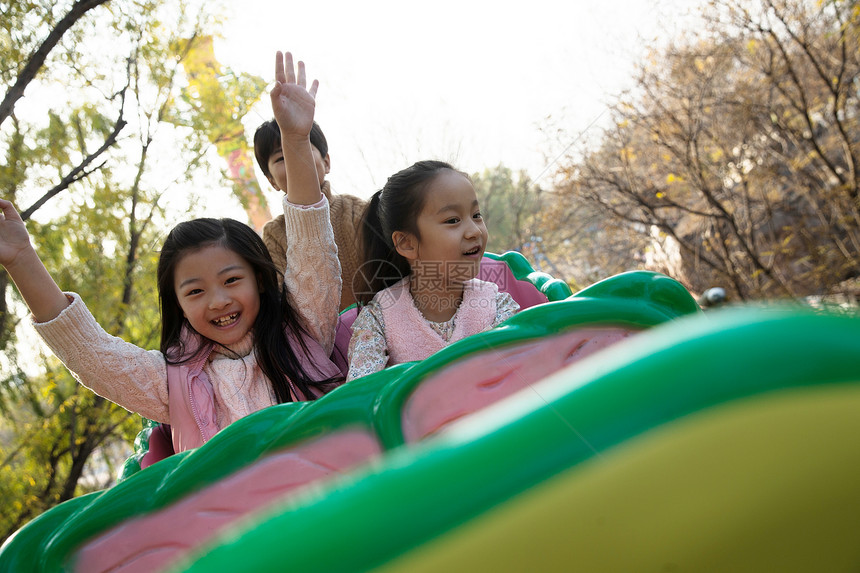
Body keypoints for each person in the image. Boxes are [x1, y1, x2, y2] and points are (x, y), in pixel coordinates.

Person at [0, 51, 342, 453]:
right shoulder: (172, 382)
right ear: (178, 304)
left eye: (231, 280)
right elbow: (92, 355)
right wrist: (21, 260)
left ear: (262, 280)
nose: (218, 300)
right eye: (195, 291)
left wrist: (296, 141)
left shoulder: (303, 329)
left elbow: (312, 250)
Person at [347, 160, 520, 381]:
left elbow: (521, 372)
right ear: (407, 243)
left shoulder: (497, 305)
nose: (474, 231)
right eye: (453, 220)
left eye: (476, 215)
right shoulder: (378, 320)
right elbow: (363, 396)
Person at [254, 118, 366, 312]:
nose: (294, 161)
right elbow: (283, 299)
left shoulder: (359, 211)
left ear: (326, 162)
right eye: (281, 158)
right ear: (271, 180)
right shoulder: (274, 234)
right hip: (323, 341)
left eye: (302, 150)